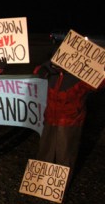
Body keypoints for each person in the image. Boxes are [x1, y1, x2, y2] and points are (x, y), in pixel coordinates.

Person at [34, 60, 105, 188]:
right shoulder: (52, 70)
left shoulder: (81, 75)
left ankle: (58, 188)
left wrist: (101, 71)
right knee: (45, 150)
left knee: (64, 154)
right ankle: (40, 185)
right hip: (50, 117)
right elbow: (38, 70)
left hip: (70, 120)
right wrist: (44, 69)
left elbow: (99, 84)